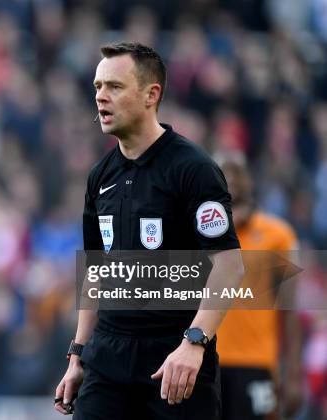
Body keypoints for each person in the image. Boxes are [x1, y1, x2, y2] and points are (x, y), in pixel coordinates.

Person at [54, 42, 244, 419]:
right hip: (106, 359)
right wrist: (77, 354)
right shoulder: (100, 176)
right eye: (97, 87)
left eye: (114, 87)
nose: (101, 97)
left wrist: (195, 342)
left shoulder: (193, 169)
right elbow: (95, 271)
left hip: (173, 357)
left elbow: (230, 265)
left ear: (150, 94)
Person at [216, 154, 303, 420]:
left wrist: (293, 375)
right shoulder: (201, 233)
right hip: (206, 364)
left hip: (257, 364)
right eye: (224, 173)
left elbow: (290, 312)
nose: (232, 181)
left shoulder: (278, 235)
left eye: (238, 173)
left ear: (250, 180)